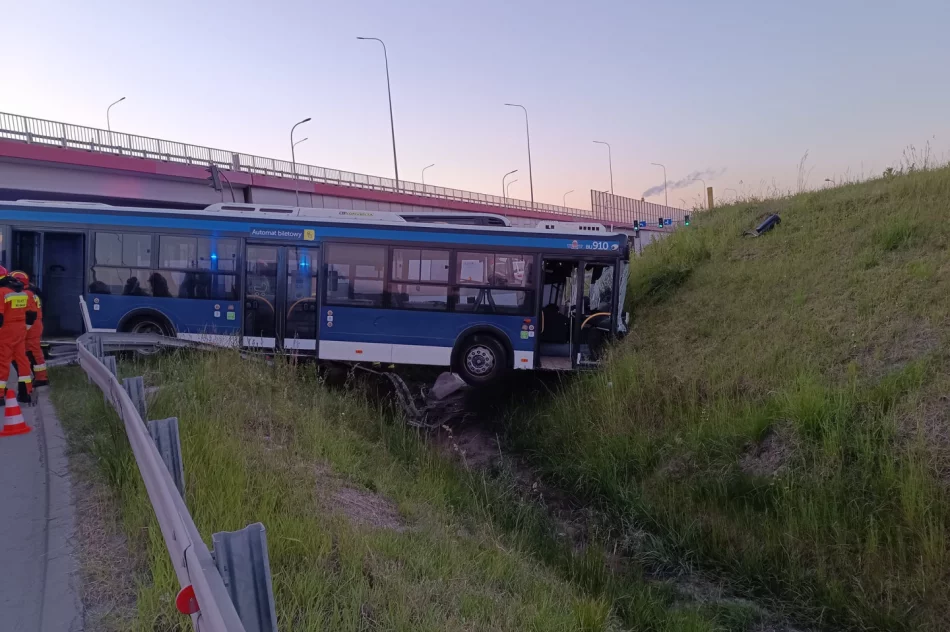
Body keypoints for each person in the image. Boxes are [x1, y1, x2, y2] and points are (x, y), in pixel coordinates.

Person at [0, 266, 36, 404]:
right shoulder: (21, 292)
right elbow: (31, 314)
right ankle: (25, 393)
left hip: (6, 331)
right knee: (22, 360)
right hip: (20, 331)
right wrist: (25, 328)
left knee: (3, 362)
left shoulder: (2, 292)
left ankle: (0, 395)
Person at [11, 271, 48, 387]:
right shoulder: (30, 292)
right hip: (34, 326)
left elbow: (28, 314)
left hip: (31, 328)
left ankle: (41, 378)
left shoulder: (25, 294)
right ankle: (39, 377)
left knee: (33, 353)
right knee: (32, 352)